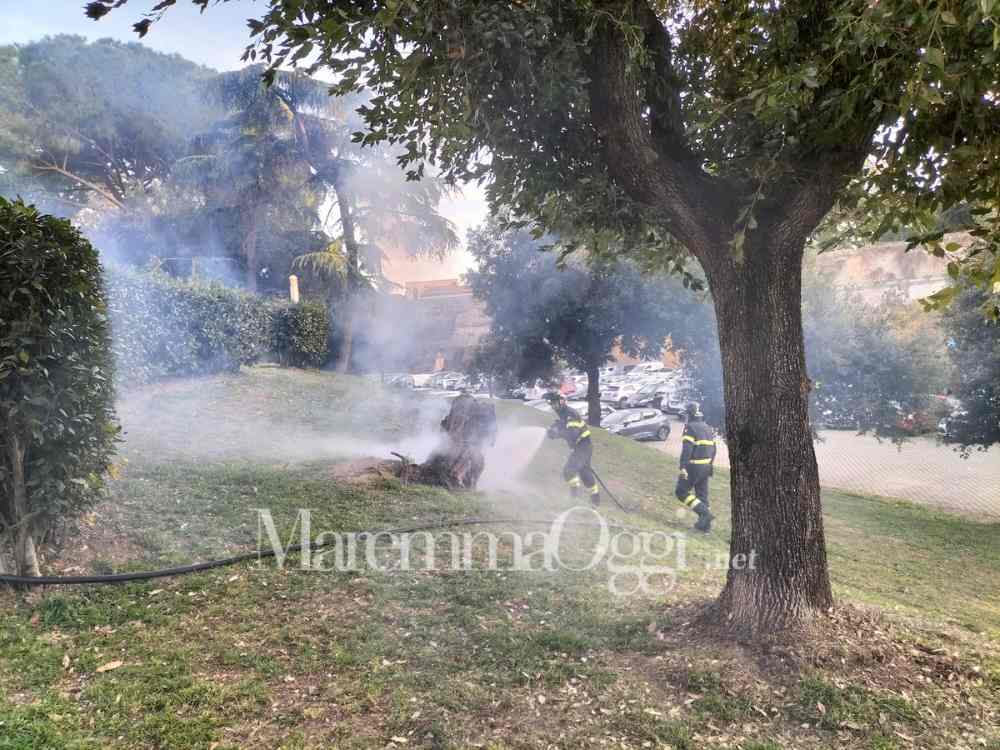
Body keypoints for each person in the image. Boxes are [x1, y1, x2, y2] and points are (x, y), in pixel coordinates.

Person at [544, 391, 600, 505]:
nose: (554, 406)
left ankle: (574, 497)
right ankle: (595, 501)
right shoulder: (563, 415)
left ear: (562, 402)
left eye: (555, 403)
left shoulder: (570, 414)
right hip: (582, 447)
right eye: (552, 404)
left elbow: (573, 433)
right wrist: (552, 431)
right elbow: (561, 425)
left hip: (583, 447)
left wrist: (557, 434)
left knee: (569, 471)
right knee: (585, 474)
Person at [675, 402, 717, 532]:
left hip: (694, 467)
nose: (685, 417)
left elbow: (687, 450)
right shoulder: (707, 427)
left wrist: (683, 467)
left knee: (681, 492)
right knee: (702, 496)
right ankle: (705, 528)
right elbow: (714, 449)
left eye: (686, 414)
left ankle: (706, 514)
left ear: (691, 414)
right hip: (706, 466)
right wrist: (710, 465)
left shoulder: (690, 428)